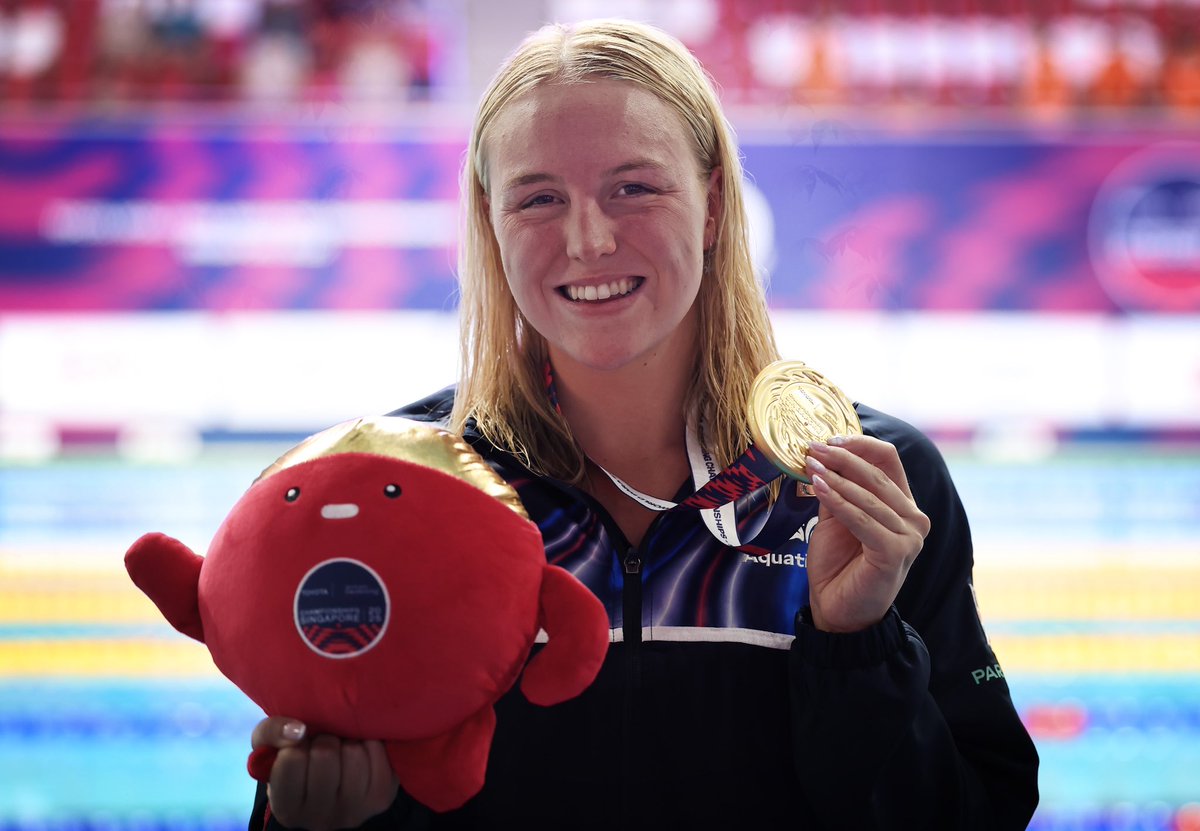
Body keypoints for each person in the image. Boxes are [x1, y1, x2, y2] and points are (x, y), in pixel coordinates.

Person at [248, 18, 1039, 830]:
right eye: (539, 198)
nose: (589, 238)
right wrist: (336, 818)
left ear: (712, 204)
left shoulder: (865, 482)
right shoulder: (404, 491)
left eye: (634, 187)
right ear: (490, 222)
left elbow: (979, 810)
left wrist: (856, 645)